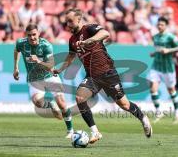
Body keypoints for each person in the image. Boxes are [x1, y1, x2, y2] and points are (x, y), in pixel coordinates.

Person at [53, 8, 152, 144]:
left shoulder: (89, 29)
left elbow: (105, 33)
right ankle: (95, 132)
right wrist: (60, 69)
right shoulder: (72, 40)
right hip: (92, 76)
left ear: (79, 19)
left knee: (124, 104)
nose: (68, 24)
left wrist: (90, 41)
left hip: (107, 73)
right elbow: (71, 57)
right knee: (80, 97)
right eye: (66, 22)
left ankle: (143, 118)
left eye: (70, 21)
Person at [13, 24, 73, 138]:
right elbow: (16, 51)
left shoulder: (46, 45)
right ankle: (51, 104)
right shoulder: (21, 43)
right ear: (26, 35)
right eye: (29, 35)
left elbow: (51, 65)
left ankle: (70, 130)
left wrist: (38, 61)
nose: (32, 38)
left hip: (50, 76)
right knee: (37, 102)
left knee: (62, 104)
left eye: (34, 34)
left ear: (38, 33)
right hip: (34, 79)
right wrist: (16, 67)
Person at [148, 16, 178, 124]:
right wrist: (154, 53)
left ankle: (177, 111)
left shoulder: (171, 37)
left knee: (171, 90)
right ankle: (159, 111)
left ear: (166, 26)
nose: (159, 26)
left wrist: (169, 50)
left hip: (168, 68)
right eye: (158, 24)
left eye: (162, 24)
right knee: (153, 88)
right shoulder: (155, 37)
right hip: (156, 66)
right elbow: (158, 49)